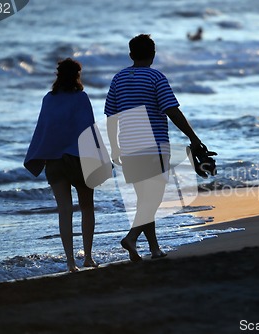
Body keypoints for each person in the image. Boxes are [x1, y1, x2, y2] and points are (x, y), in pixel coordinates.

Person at [105, 34, 206, 262]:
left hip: (129, 146)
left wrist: (114, 147)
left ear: (131, 54)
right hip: (154, 146)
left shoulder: (118, 79)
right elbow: (172, 110)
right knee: (154, 198)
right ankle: (131, 237)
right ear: (153, 54)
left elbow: (111, 116)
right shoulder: (155, 77)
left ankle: (154, 249)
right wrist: (193, 137)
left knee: (144, 199)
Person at [24, 58, 98, 272]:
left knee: (64, 210)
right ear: (77, 75)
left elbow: (43, 130)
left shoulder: (49, 99)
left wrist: (39, 156)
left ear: (58, 75)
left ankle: (70, 262)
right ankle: (88, 258)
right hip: (79, 160)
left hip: (55, 162)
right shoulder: (81, 98)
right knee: (87, 208)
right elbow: (89, 131)